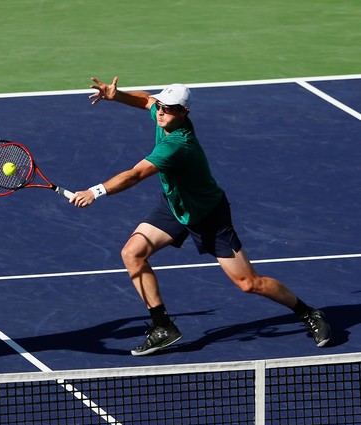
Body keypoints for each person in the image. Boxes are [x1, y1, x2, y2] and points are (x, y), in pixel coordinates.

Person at [70, 77, 331, 356]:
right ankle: (163, 327)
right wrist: (117, 95)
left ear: (184, 113)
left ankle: (308, 312)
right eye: (162, 107)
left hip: (208, 216)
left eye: (169, 109)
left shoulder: (178, 145)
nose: (161, 112)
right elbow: (147, 99)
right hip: (174, 206)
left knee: (249, 283)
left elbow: (135, 174)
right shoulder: (164, 114)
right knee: (132, 254)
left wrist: (96, 191)